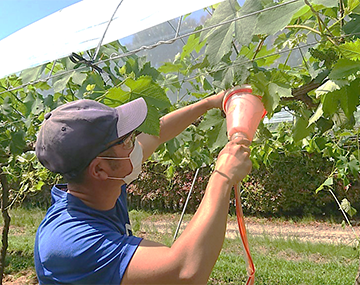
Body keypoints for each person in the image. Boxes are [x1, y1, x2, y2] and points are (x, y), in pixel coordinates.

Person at [34, 92, 252, 285]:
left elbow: (158, 133)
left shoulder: (103, 187)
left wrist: (209, 103)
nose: (136, 143)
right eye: (127, 141)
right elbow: (184, 272)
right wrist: (222, 178)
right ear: (99, 168)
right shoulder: (69, 242)